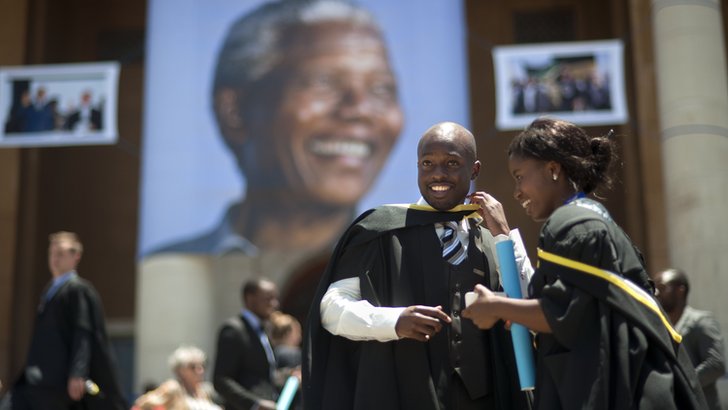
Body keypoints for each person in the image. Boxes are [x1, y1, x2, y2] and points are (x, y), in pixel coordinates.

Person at [137, 0, 405, 385]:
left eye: (381, 88)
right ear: (235, 111)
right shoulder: (170, 258)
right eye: (324, 82)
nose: (360, 109)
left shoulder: (389, 253)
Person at [462, 117, 708, 409]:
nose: (516, 192)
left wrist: (496, 308)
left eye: (519, 176)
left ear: (553, 170)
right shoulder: (593, 217)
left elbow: (564, 313)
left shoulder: (570, 224)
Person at [304, 121, 534, 409]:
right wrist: (394, 321)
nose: (438, 174)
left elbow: (528, 303)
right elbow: (332, 309)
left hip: (482, 398)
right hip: (402, 395)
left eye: (452, 163)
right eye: (427, 163)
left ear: (474, 170)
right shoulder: (381, 231)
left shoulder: (490, 238)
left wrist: (504, 235)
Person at [8, 231, 126, 409]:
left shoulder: (77, 289)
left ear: (76, 256)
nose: (55, 259)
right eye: (52, 253)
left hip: (57, 383)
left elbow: (83, 332)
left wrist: (77, 372)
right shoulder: (49, 291)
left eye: (61, 254)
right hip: (35, 378)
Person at [655, 268, 726, 410]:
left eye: (662, 287)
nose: (656, 293)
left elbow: (716, 364)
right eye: (655, 288)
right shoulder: (660, 327)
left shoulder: (701, 321)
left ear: (680, 290)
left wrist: (681, 382)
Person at [213, 279, 282, 410]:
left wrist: (288, 375)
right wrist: (254, 404)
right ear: (250, 299)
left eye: (275, 298)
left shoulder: (263, 330)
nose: (274, 304)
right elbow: (221, 380)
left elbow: (261, 375)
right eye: (268, 299)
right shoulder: (234, 330)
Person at [133, 345, 223, 410]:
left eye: (202, 366)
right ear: (180, 370)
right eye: (193, 367)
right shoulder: (173, 388)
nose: (200, 370)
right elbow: (142, 404)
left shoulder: (205, 391)